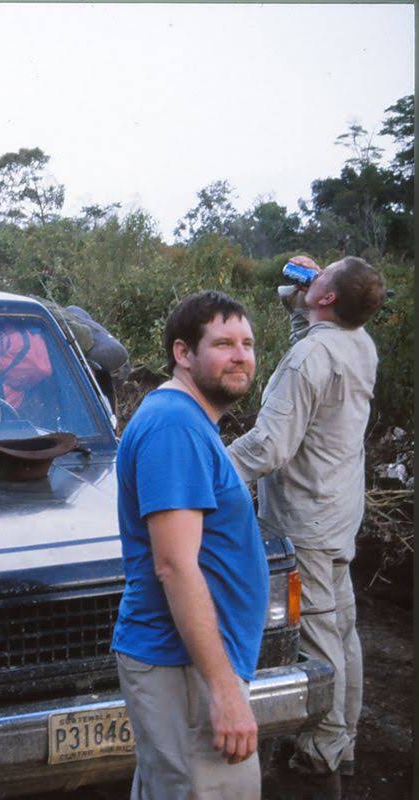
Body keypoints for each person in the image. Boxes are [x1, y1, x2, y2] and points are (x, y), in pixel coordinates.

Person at [228, 256, 386, 790]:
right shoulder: (358, 344)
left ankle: (321, 757)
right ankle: (346, 742)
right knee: (342, 627)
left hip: (306, 518)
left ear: (327, 299)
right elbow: (316, 347)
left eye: (321, 277)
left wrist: (205, 464)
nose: (312, 275)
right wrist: (303, 306)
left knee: (318, 640)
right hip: (339, 511)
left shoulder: (309, 359)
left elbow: (268, 446)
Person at [112, 291, 267, 798]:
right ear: (183, 353)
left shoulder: (188, 423)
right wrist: (223, 689)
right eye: (223, 343)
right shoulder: (174, 425)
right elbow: (175, 566)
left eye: (246, 343)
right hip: (184, 667)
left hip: (192, 664)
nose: (240, 355)